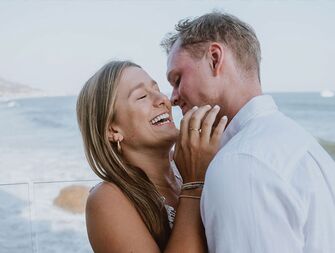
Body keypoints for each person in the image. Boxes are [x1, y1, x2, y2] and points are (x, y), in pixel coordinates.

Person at [161, 11, 335, 253]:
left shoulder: (240, 163)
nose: (173, 98)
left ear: (214, 58)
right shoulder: (303, 145)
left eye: (178, 79)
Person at [76, 60, 228, 252]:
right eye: (141, 96)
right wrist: (194, 185)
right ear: (111, 129)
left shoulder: (193, 160)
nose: (163, 99)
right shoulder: (106, 200)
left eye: (157, 89)